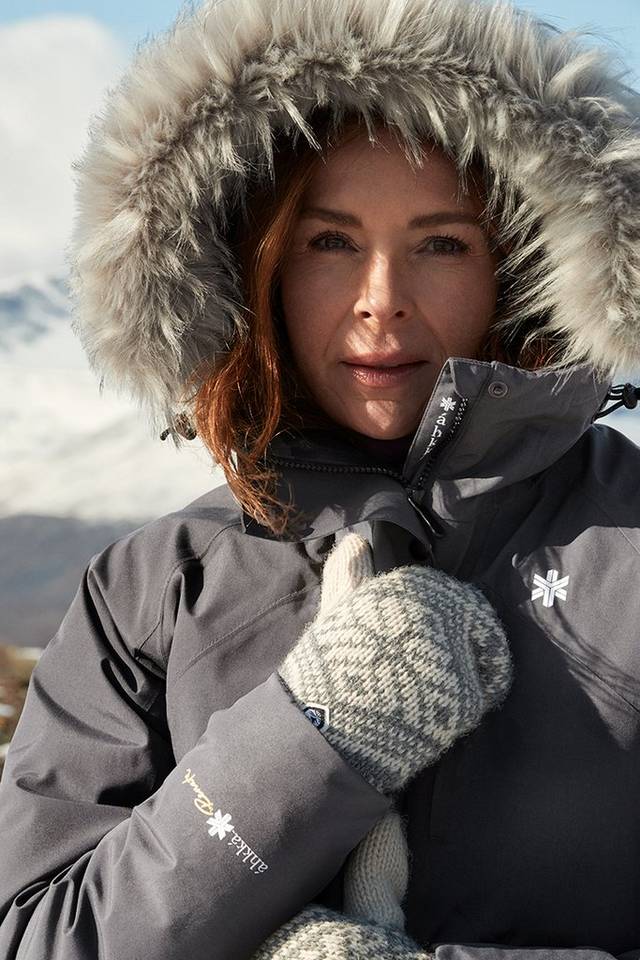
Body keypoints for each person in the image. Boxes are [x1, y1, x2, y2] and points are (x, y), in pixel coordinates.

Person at [1, 0, 640, 957]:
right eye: (329, 241)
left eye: (442, 243)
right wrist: (313, 737)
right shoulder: (153, 589)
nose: (382, 300)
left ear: (521, 266)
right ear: (250, 263)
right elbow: (40, 936)